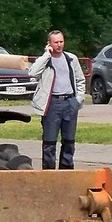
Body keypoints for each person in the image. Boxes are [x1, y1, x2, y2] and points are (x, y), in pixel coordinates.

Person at [28, 30, 86, 169]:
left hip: (70, 102)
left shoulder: (71, 59)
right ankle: (49, 173)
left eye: (61, 42)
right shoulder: (45, 60)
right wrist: (46, 55)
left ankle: (66, 171)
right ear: (49, 43)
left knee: (69, 141)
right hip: (52, 103)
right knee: (49, 142)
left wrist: (78, 100)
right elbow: (32, 73)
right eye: (56, 42)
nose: (59, 45)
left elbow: (80, 79)